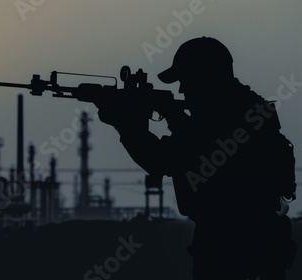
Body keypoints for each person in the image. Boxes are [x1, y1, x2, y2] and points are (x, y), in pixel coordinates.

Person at [93, 36, 297, 279]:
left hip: (231, 246)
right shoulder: (246, 109)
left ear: (206, 78)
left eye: (186, 80)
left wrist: (126, 125)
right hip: (254, 244)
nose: (181, 89)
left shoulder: (231, 118)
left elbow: (162, 160)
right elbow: (193, 146)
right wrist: (167, 116)